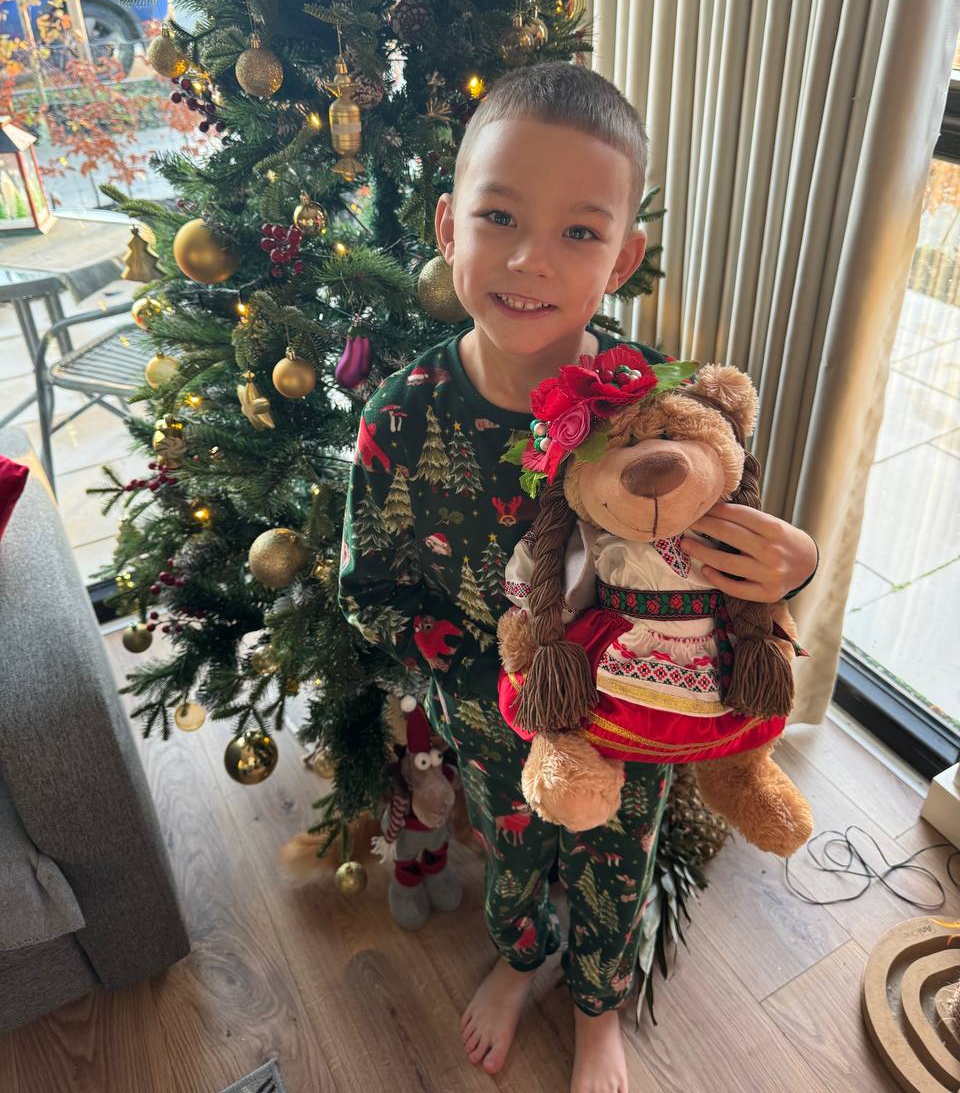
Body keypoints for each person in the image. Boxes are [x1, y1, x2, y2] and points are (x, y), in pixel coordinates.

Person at [338, 61, 818, 1093]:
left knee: (618, 862)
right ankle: (520, 963)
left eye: (579, 231)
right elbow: (368, 591)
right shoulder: (402, 417)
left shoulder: (652, 402)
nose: (529, 259)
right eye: (499, 216)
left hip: (639, 710)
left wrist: (800, 560)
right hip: (491, 724)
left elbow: (727, 532)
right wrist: (484, 687)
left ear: (625, 257)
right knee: (513, 855)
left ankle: (599, 1008)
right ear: (448, 225)